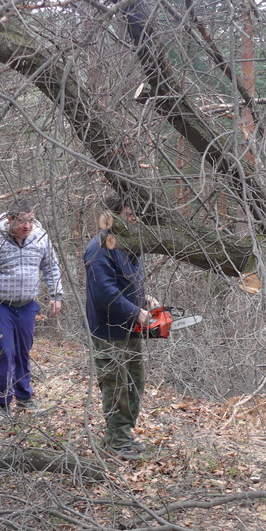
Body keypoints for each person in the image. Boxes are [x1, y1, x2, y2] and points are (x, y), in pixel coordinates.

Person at [0, 201, 63, 422]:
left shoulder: (40, 237)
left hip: (27, 305)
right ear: (9, 219)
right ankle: (2, 404)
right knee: (4, 351)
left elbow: (51, 266)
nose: (27, 226)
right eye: (21, 221)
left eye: (30, 220)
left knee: (23, 351)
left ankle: (24, 396)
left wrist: (56, 295)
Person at [84, 195, 157, 460]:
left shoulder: (129, 245)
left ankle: (123, 434)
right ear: (113, 216)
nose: (134, 218)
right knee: (116, 385)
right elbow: (105, 292)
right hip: (108, 329)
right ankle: (117, 440)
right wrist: (134, 311)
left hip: (129, 327)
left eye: (136, 213)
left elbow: (130, 282)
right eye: (129, 213)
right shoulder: (99, 249)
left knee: (135, 382)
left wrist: (143, 300)